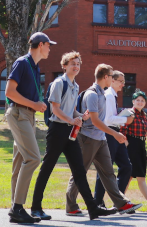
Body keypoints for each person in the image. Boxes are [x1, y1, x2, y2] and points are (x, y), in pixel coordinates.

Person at [30, 52, 118, 221]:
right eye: (72, 64)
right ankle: (35, 208)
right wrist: (72, 119)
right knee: (47, 168)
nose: (76, 67)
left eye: (78, 64)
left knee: (79, 171)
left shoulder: (75, 86)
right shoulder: (58, 83)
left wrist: (81, 116)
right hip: (57, 131)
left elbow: (71, 110)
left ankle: (93, 209)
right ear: (64, 66)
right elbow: (55, 110)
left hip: (70, 132)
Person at [65, 64, 142, 216]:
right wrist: (114, 134)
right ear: (105, 77)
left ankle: (121, 204)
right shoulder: (92, 94)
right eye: (111, 76)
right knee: (80, 172)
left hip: (100, 139)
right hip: (88, 138)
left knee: (108, 172)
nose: (113, 79)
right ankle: (71, 205)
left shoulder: (102, 94)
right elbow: (96, 121)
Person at [4, 32, 53, 224]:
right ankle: (17, 207)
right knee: (33, 158)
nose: (50, 49)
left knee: (20, 162)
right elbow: (9, 92)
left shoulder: (35, 66)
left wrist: (37, 104)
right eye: (49, 45)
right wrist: (33, 105)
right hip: (19, 114)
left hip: (28, 116)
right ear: (41, 45)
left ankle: (16, 208)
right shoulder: (22, 63)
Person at [93, 70, 134, 206]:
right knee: (105, 168)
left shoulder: (113, 95)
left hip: (115, 134)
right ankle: (98, 202)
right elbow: (107, 119)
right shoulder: (109, 95)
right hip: (110, 134)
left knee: (126, 167)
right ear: (113, 81)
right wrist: (125, 119)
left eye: (123, 81)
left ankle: (118, 201)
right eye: (121, 81)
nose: (123, 84)